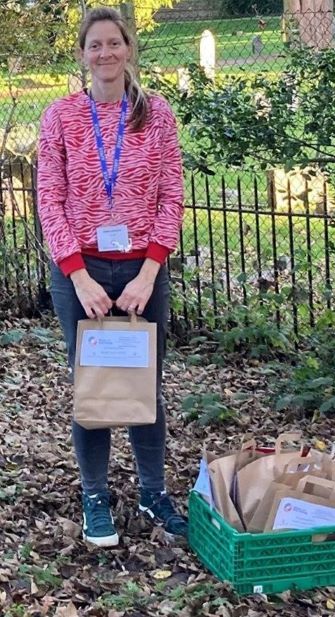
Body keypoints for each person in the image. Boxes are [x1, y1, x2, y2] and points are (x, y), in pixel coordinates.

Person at [37, 7, 186, 547]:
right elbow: (49, 201)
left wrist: (149, 271)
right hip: (83, 273)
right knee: (94, 386)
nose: (105, 53)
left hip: (143, 269)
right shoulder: (59, 117)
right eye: (94, 45)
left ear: (129, 49)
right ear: (82, 54)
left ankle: (153, 494)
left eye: (114, 43)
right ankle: (94, 498)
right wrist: (78, 276)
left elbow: (171, 196)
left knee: (146, 384)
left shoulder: (157, 114)